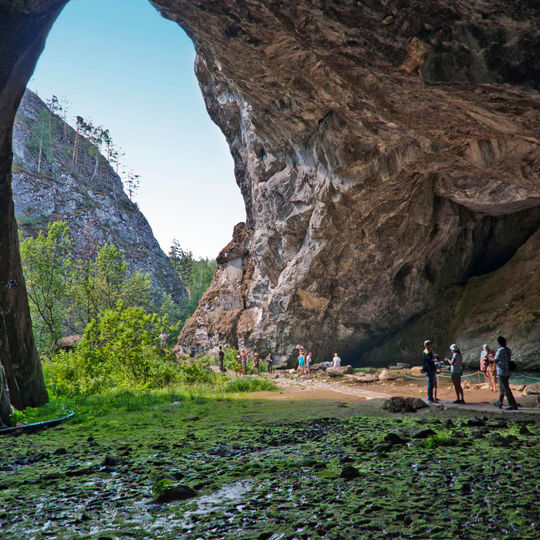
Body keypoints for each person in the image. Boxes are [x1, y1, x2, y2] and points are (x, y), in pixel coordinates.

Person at [494, 336, 518, 410]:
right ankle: (499, 402)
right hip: (508, 371)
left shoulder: (500, 350)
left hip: (502, 371)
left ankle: (513, 404)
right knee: (503, 387)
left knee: (506, 388)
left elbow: (496, 360)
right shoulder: (508, 350)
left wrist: (490, 358)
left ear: (499, 343)